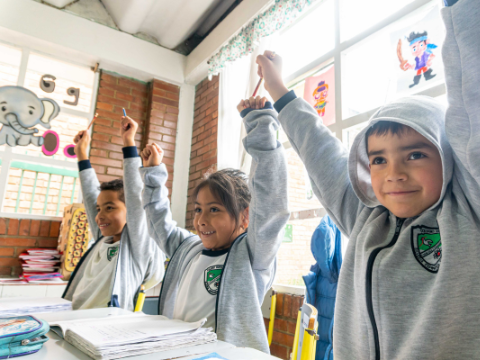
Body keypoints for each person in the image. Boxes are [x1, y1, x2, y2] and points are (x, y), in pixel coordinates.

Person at [255, 0, 480, 357]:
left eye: (416, 154)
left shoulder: (469, 209)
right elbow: (318, 148)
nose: (394, 173)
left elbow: (473, 98)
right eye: (378, 160)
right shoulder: (365, 216)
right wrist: (278, 89)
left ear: (448, 156)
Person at [139, 96, 289, 353]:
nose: (201, 220)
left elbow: (270, 198)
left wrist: (259, 124)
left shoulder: (252, 255)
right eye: (198, 209)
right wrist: (152, 175)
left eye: (214, 209)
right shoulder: (188, 248)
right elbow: (157, 220)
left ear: (244, 217)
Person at [62, 116, 165, 310]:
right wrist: (82, 155)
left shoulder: (135, 247)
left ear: (133, 212)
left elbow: (134, 193)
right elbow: (91, 195)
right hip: (76, 318)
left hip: (103, 326)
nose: (100, 215)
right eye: (100, 209)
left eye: (110, 208)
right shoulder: (103, 238)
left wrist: (128, 141)